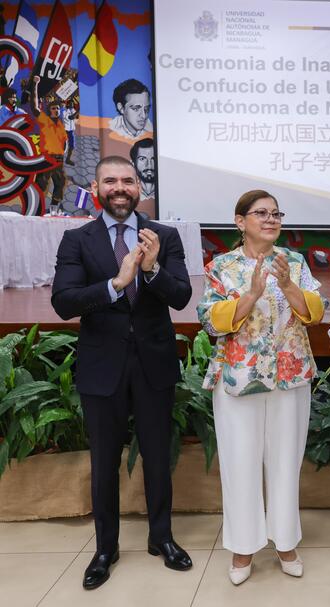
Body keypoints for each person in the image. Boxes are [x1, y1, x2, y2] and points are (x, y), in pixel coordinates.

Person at [51, 156, 194, 589]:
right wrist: (117, 283)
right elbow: (64, 302)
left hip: (154, 363)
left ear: (139, 188)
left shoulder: (163, 237)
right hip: (102, 365)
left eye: (127, 180)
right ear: (96, 188)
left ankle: (161, 538)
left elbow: (182, 296)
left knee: (157, 456)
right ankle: (105, 549)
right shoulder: (77, 239)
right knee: (104, 462)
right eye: (110, 181)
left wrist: (151, 270)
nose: (120, 188)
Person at [197, 190, 324, 586]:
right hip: (239, 378)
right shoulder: (222, 266)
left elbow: (315, 313)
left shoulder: (295, 262)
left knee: (286, 462)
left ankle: (285, 543)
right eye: (261, 213)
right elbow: (210, 321)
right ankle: (243, 546)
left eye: (276, 214)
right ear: (241, 222)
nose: (271, 220)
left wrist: (288, 286)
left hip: (290, 375)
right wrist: (251, 294)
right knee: (240, 464)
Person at [32, 76, 67, 214]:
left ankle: (53, 210)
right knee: (41, 185)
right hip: (46, 159)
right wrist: (35, 85)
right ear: (49, 110)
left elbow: (64, 141)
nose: (56, 110)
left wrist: (63, 152)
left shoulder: (61, 124)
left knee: (60, 183)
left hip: (59, 160)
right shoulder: (44, 120)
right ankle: (35, 209)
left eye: (57, 108)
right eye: (53, 108)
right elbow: (34, 106)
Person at [62, 99, 78, 165]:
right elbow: (71, 117)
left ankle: (68, 159)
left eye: (73, 104)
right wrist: (78, 110)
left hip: (71, 131)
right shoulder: (64, 111)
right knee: (63, 146)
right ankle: (59, 160)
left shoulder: (73, 110)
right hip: (65, 131)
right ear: (68, 104)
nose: (72, 105)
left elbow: (76, 117)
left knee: (72, 145)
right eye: (71, 104)